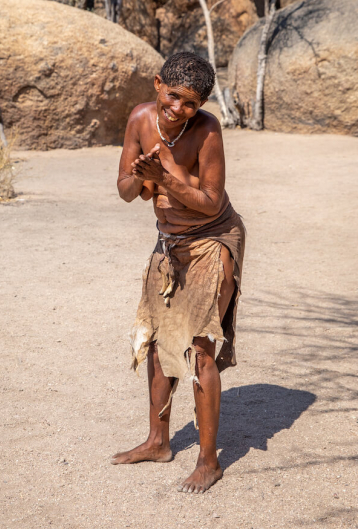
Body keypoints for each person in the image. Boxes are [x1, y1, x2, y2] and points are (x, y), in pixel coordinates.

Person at [111, 52, 246, 494]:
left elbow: (210, 200)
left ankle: (209, 461)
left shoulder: (206, 130)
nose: (179, 109)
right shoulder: (138, 120)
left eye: (191, 103)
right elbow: (127, 193)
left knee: (200, 348)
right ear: (156, 84)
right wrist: (141, 175)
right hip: (170, 244)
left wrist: (167, 180)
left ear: (203, 104)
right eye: (173, 97)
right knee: (156, 341)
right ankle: (158, 441)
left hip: (213, 239)